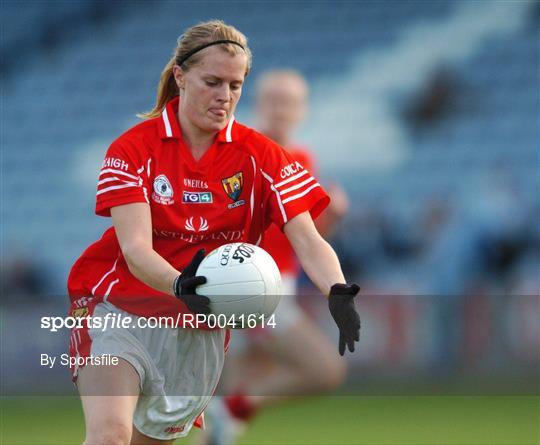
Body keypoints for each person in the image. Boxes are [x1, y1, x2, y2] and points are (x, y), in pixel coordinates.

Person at [67, 20, 360, 445]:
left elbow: (309, 239)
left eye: (235, 85)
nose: (224, 96)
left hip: (197, 330)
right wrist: (180, 284)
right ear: (181, 77)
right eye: (212, 81)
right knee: (110, 436)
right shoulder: (131, 150)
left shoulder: (264, 157)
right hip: (118, 309)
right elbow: (134, 249)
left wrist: (337, 288)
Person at [200, 70, 351, 445]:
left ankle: (231, 411)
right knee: (324, 371)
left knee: (226, 415)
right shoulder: (238, 153)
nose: (282, 110)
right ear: (259, 103)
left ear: (302, 110)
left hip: (279, 284)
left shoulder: (301, 158)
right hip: (251, 288)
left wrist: (328, 221)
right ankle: (237, 406)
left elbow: (300, 237)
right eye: (275, 101)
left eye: (291, 102)